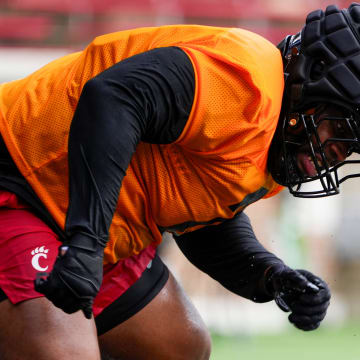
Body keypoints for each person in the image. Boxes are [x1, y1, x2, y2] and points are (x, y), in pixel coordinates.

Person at [1, 2, 360, 359]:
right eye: (341, 128)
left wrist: (271, 276)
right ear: (312, 78)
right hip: (25, 176)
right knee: (66, 353)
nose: (337, 152)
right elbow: (113, 98)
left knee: (179, 346)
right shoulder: (245, 79)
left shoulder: (272, 146)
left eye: (351, 147)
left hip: (89, 222)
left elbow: (200, 222)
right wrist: (85, 244)